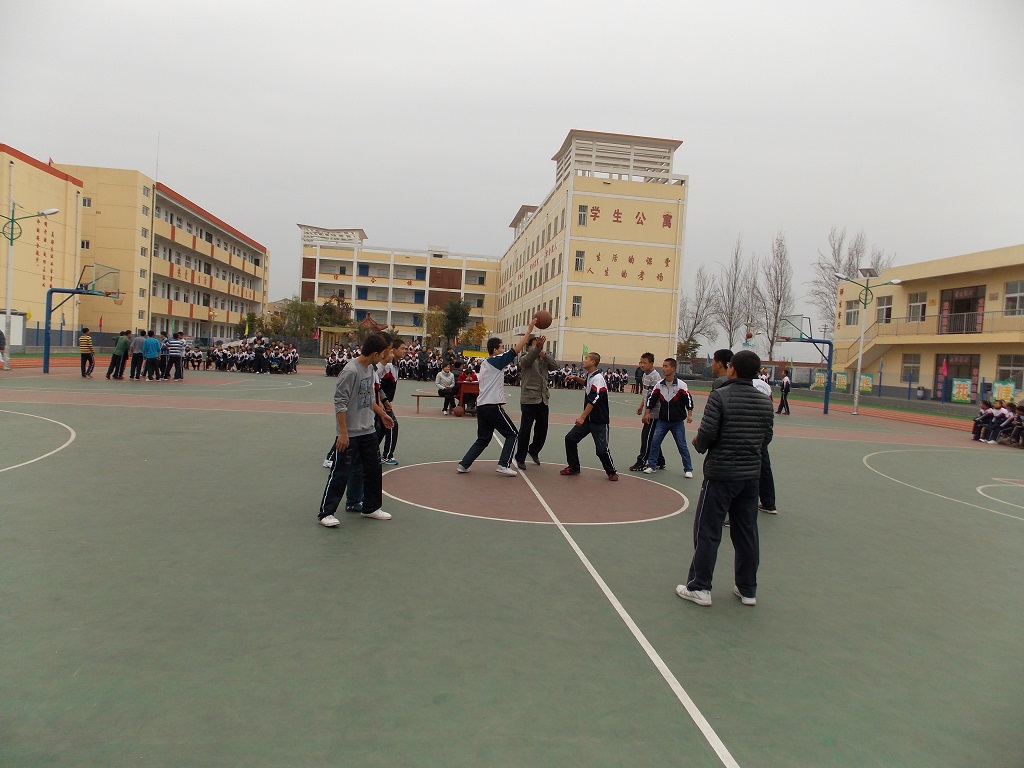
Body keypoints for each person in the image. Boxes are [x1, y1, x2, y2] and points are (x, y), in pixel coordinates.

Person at [677, 349, 774, 608]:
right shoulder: (764, 401)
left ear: (732, 369)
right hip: (750, 476)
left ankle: (700, 586)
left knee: (708, 530)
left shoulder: (720, 396)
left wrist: (699, 444)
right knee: (747, 533)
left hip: (721, 474)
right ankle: (747, 589)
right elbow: (766, 438)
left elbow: (708, 432)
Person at [317, 332, 393, 527]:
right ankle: (326, 513)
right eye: (382, 354)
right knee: (341, 472)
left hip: (368, 430)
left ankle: (371, 508)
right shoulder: (351, 371)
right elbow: (340, 403)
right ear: (375, 354)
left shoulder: (369, 369)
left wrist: (382, 414)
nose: (383, 357)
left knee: (373, 469)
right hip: (350, 432)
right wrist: (343, 433)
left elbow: (368, 398)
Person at [456, 321, 536, 477]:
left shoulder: (485, 363)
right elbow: (516, 350)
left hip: (482, 406)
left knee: (483, 439)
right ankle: (503, 465)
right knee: (513, 434)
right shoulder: (496, 361)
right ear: (494, 350)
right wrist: (529, 331)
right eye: (501, 347)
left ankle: (464, 464)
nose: (503, 350)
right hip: (492, 406)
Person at [560, 352, 618, 481]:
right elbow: (586, 383)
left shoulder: (598, 378)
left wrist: (582, 417)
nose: (584, 360)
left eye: (586, 358)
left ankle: (612, 472)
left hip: (599, 421)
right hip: (588, 420)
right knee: (570, 439)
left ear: (592, 362)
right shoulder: (591, 376)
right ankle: (574, 467)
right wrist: (575, 378)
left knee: (601, 450)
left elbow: (594, 398)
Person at [642, 357, 695, 478]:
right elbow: (652, 399)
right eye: (663, 366)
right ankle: (652, 466)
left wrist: (690, 414)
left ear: (673, 368)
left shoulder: (681, 385)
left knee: (682, 445)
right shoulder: (659, 385)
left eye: (666, 366)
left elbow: (688, 400)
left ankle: (688, 469)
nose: (664, 368)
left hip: (677, 422)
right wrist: (647, 412)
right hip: (663, 421)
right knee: (655, 442)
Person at [514, 333, 557, 470]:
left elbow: (555, 366)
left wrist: (545, 355)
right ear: (529, 347)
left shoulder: (543, 359)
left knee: (542, 430)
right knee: (525, 430)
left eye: (541, 344)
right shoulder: (525, 356)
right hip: (529, 399)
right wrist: (537, 349)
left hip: (543, 399)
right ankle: (520, 457)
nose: (539, 346)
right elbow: (527, 361)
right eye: (536, 344)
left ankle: (533, 450)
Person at [631, 352, 666, 472]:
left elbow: (653, 398)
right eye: (640, 362)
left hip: (654, 413)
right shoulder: (645, 375)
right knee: (651, 437)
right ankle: (660, 460)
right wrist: (641, 406)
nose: (642, 365)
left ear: (651, 364)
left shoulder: (655, 377)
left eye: (644, 363)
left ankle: (642, 461)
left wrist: (648, 413)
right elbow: (646, 394)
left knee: (646, 437)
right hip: (648, 410)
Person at [751, 374, 778, 514]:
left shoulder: (743, 384)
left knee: (742, 469)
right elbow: (770, 408)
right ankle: (769, 503)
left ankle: (740, 508)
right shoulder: (766, 387)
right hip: (761, 431)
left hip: (746, 429)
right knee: (765, 467)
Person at [378, 337, 405, 465]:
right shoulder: (387, 366)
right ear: (393, 350)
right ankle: (387, 455)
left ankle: (370, 453)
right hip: (379, 402)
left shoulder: (395, 364)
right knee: (392, 425)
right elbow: (378, 385)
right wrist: (383, 400)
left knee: (381, 428)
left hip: (384, 401)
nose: (405, 351)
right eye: (402, 348)